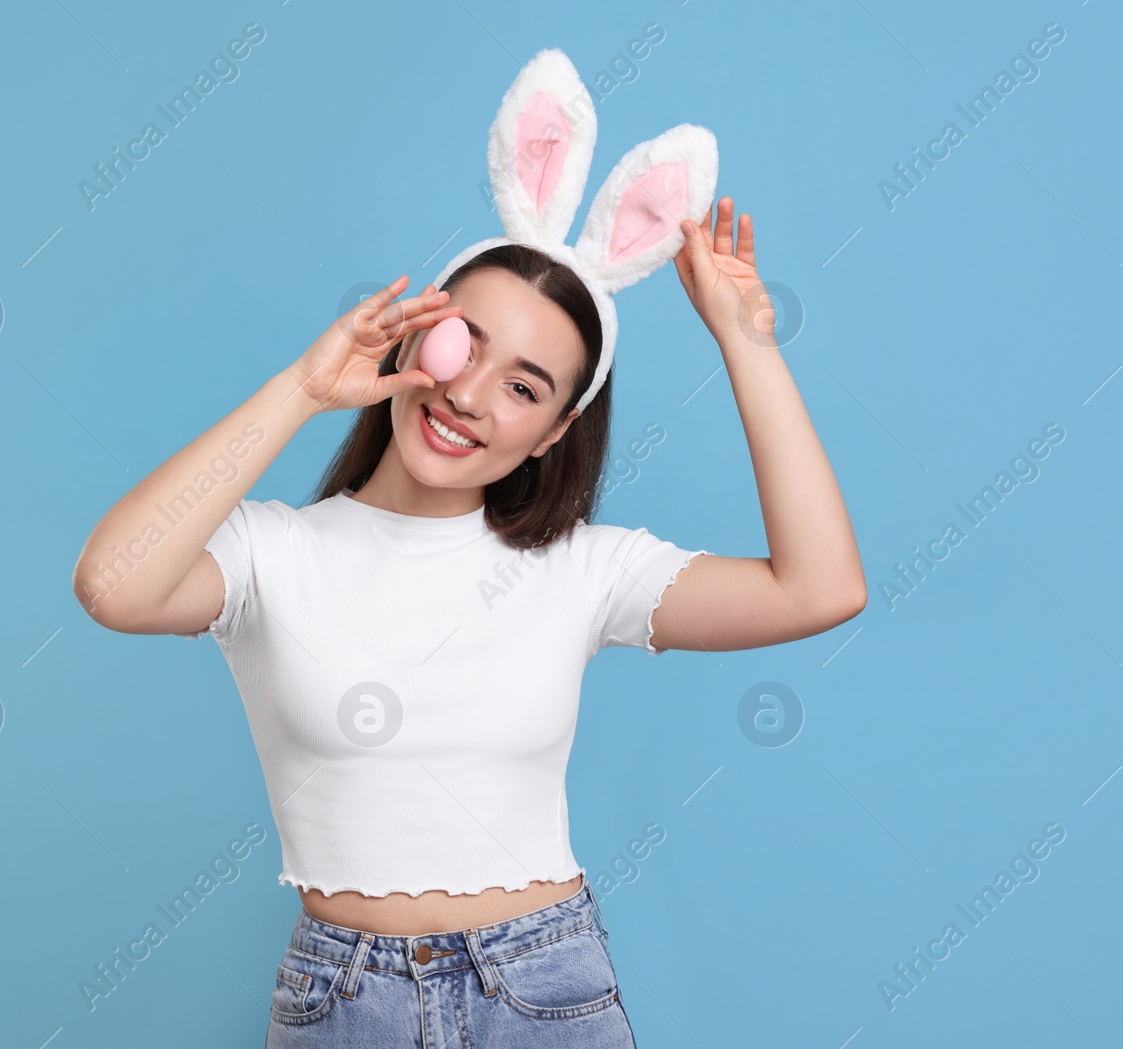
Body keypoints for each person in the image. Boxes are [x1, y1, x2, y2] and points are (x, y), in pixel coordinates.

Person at [72, 197, 866, 1046]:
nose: (468, 394)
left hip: (542, 989)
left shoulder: (583, 566)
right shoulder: (271, 551)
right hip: (344, 1003)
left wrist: (747, 343)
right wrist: (302, 391)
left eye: (523, 386)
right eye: (463, 343)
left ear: (554, 432)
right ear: (412, 338)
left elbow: (819, 588)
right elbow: (111, 585)